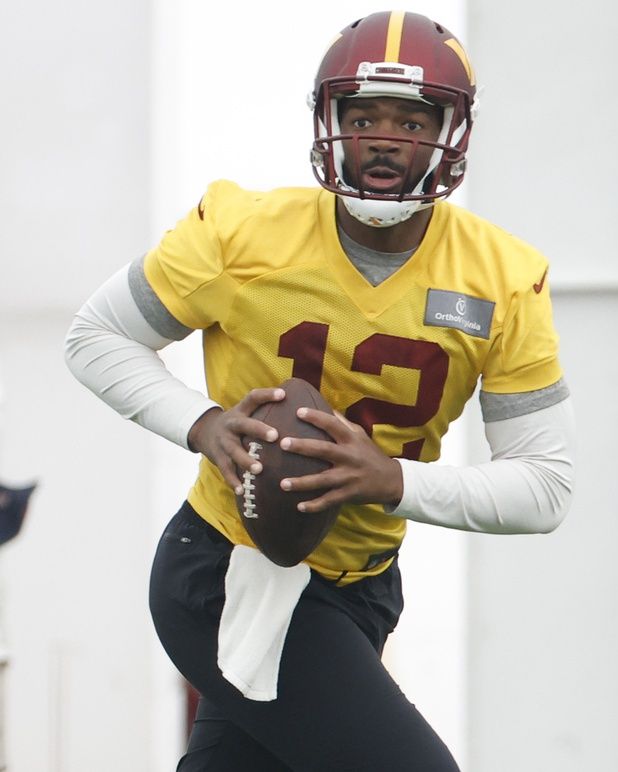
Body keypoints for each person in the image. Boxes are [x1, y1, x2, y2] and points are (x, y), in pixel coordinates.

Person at [64, 10, 575, 771]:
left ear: (451, 132)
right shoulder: (242, 233)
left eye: (410, 118)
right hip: (227, 567)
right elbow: (96, 337)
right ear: (329, 120)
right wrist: (202, 424)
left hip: (363, 585)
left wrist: (394, 480)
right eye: (363, 115)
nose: (382, 137)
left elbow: (546, 487)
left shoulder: (503, 278)